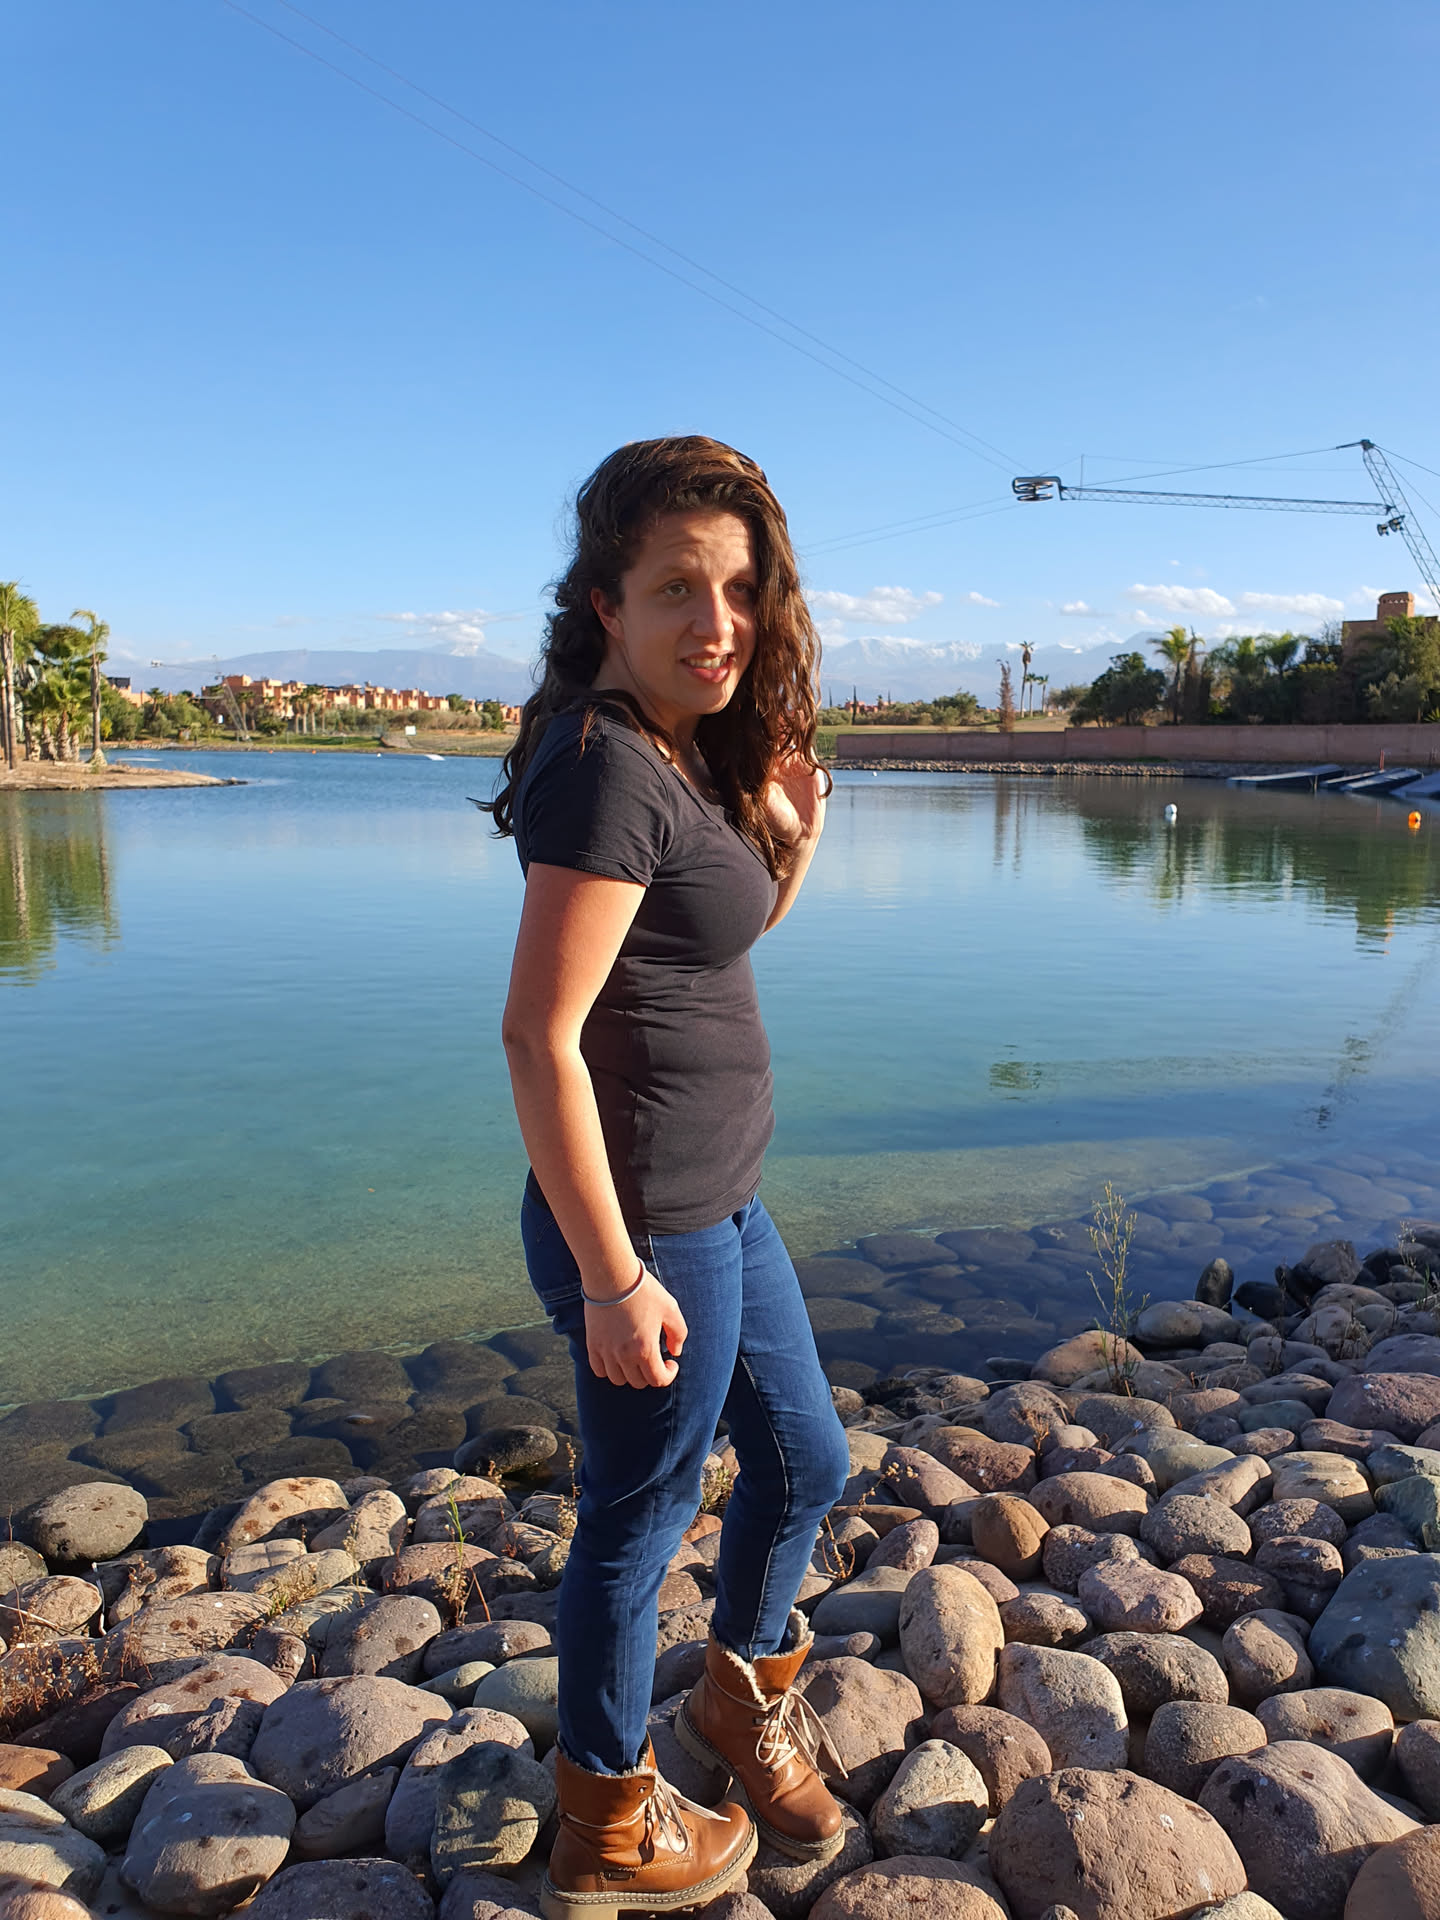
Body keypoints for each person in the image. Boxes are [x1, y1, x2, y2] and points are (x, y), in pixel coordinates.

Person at [489, 436, 851, 1920]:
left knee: (808, 1464)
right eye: (678, 590)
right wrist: (612, 1278)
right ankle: (606, 1824)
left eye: (741, 590)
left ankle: (735, 1705)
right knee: (636, 1529)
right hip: (645, 1228)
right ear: (605, 605)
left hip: (723, 1205)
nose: (718, 622)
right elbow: (538, 1038)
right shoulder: (602, 771)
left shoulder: (672, 749)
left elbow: (708, 947)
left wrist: (795, 841)